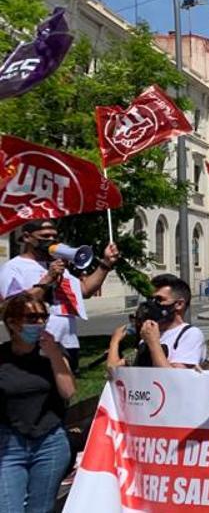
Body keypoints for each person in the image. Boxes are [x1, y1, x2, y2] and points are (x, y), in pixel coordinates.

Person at [0, 219, 120, 372]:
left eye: (54, 236)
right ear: (26, 237)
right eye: (45, 235)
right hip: (36, 344)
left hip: (68, 343)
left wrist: (106, 264)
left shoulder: (57, 266)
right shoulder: (14, 268)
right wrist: (47, 280)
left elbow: (84, 290)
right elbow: (11, 306)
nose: (51, 240)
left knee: (65, 392)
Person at [0, 292, 73, 513]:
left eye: (44, 316)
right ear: (12, 323)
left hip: (49, 442)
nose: (40, 322)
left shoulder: (54, 351)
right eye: (31, 318)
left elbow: (68, 391)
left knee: (40, 508)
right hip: (9, 443)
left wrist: (53, 355)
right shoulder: (2, 356)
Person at [108, 274, 204, 369]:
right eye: (150, 299)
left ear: (179, 304)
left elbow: (173, 377)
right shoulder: (148, 335)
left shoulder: (189, 334)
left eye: (159, 299)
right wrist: (115, 342)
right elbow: (113, 370)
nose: (152, 304)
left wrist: (153, 342)